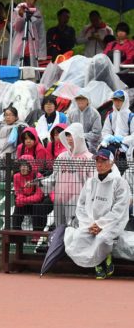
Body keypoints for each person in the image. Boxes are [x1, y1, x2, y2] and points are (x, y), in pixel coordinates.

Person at [65, 149, 130, 279]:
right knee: (78, 238)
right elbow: (81, 205)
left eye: (103, 161)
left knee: (102, 239)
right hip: (90, 223)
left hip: (113, 223)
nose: (99, 164)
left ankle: (100, 262)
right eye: (97, 161)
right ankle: (100, 261)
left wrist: (101, 224)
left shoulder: (119, 183)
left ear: (112, 163)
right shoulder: (90, 182)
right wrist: (90, 224)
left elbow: (119, 210)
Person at [45, 122, 95, 228]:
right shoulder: (62, 156)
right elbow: (54, 177)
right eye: (67, 135)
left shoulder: (89, 158)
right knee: (60, 228)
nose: (69, 138)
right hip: (60, 200)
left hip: (79, 201)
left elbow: (92, 183)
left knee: (74, 228)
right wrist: (39, 182)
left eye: (72, 135)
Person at [11, 0, 46, 66]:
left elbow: (41, 34)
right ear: (24, 0)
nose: (29, 1)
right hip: (19, 49)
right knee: (17, 72)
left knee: (30, 74)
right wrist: (20, 15)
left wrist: (42, 54)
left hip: (32, 49)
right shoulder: (18, 11)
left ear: (35, 1)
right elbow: (17, 28)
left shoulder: (38, 14)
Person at [11, 157, 47, 231]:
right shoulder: (16, 176)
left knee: (37, 208)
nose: (23, 169)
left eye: (25, 166)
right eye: (21, 166)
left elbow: (39, 196)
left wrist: (23, 200)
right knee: (18, 207)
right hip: (25, 201)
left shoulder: (38, 176)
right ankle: (16, 234)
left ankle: (37, 234)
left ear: (30, 166)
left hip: (36, 203)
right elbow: (18, 192)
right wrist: (20, 199)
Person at [100, 89, 134, 162]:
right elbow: (105, 131)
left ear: (125, 101)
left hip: (128, 147)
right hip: (113, 145)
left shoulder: (131, 116)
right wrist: (109, 138)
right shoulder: (110, 116)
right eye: (115, 100)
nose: (117, 102)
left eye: (120, 100)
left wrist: (123, 139)